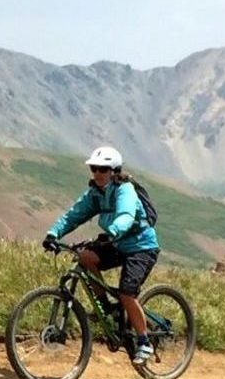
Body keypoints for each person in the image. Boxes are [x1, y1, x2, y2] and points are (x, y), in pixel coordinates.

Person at [42, 146, 160, 365]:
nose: (97, 173)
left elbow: (126, 215)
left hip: (141, 246)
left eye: (103, 169)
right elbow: (74, 215)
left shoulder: (125, 190)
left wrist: (112, 232)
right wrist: (53, 233)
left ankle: (144, 342)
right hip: (117, 243)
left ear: (114, 171)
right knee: (85, 257)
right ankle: (107, 308)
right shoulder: (95, 193)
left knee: (127, 293)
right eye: (94, 168)